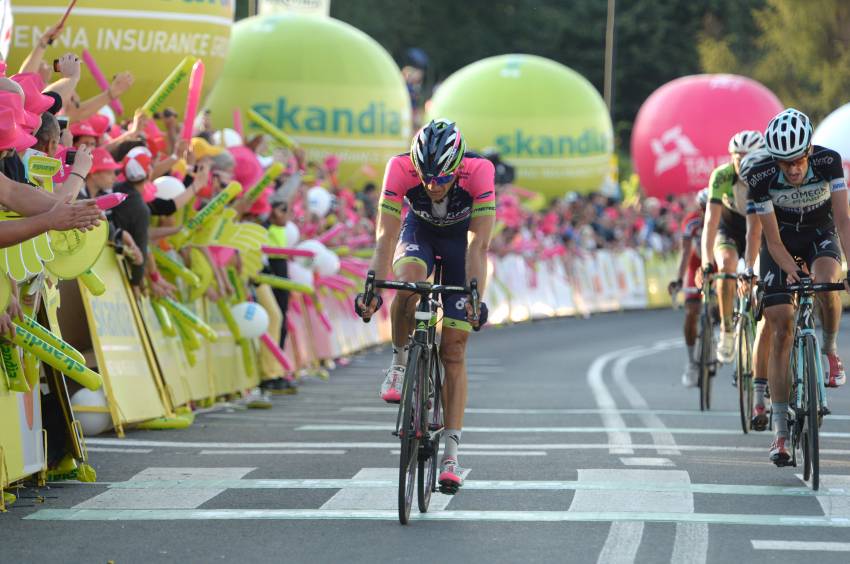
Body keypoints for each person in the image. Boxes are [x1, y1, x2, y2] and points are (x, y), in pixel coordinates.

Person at [355, 119, 496, 493]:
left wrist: (474, 295)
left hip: (459, 246)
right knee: (410, 284)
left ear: (459, 166)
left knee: (454, 349)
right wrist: (371, 288)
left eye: (443, 178)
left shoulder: (480, 172)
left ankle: (450, 454)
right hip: (417, 233)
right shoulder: (399, 167)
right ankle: (400, 365)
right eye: (426, 177)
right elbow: (385, 237)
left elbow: (478, 247)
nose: (433, 186)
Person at [746, 108, 850, 465]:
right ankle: (779, 433)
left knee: (828, 282)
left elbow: (843, 221)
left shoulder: (828, 161)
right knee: (780, 324)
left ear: (809, 152)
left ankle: (831, 349)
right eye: (784, 163)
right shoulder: (760, 177)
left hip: (821, 234)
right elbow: (771, 240)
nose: (792, 170)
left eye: (798, 161)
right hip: (782, 244)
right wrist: (790, 270)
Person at [701, 131, 765, 363]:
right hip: (729, 227)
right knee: (726, 265)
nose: (741, 162)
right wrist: (707, 261)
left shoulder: (767, 174)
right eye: (737, 157)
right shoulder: (722, 176)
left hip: (759, 229)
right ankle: (727, 329)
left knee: (761, 276)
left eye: (747, 157)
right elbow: (710, 222)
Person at [669, 188, 708, 386]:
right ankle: (692, 361)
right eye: (703, 208)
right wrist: (678, 279)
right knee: (691, 312)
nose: (707, 211)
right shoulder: (691, 221)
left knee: (721, 299)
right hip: (696, 264)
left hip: (717, 264)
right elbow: (685, 253)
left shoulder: (726, 219)